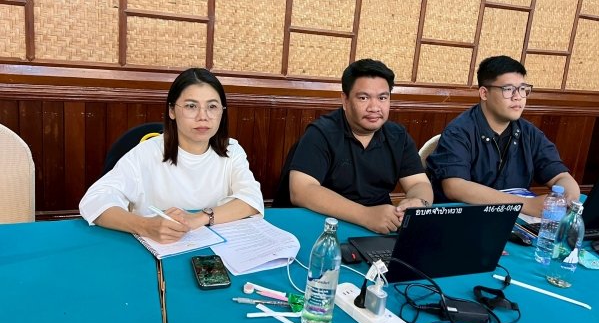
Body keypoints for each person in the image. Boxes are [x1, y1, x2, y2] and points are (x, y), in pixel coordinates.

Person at [79, 68, 264, 243]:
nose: (203, 116)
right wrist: (145, 226)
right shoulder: (146, 153)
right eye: (191, 106)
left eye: (212, 106)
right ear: (172, 111)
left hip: (216, 248)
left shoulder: (232, 150)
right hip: (161, 247)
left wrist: (200, 218)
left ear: (222, 112)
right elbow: (94, 200)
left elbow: (252, 200)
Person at [288, 59, 433, 234]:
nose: (374, 107)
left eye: (382, 98)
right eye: (363, 98)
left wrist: (419, 202)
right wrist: (366, 215)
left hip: (379, 227)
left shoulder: (398, 136)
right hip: (324, 224)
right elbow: (301, 190)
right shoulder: (321, 133)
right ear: (345, 100)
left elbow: (419, 182)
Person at [426, 55, 580, 216]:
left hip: (513, 220)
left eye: (522, 89)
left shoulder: (529, 133)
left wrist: (568, 198)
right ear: (484, 93)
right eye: (508, 89)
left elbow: (561, 176)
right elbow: (455, 186)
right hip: (465, 219)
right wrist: (524, 205)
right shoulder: (458, 131)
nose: (518, 96)